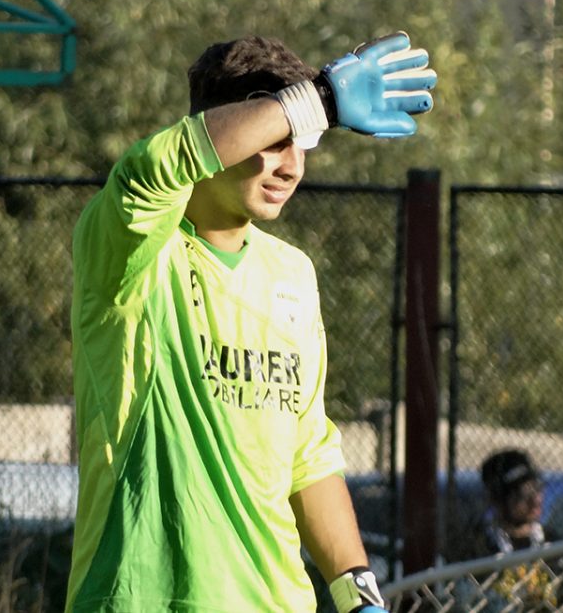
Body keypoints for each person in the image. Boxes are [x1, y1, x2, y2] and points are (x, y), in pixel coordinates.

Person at [64, 32, 437, 613]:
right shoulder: (130, 250)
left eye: (304, 143)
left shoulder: (293, 273)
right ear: (219, 132)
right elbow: (155, 170)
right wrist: (317, 100)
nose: (291, 166)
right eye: (274, 140)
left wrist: (358, 595)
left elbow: (307, 456)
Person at [474, 448, 556, 556]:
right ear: (497, 500)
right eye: (523, 494)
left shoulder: (555, 547)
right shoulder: (480, 549)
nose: (536, 500)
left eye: (537, 488)